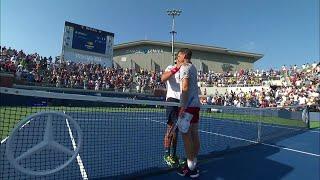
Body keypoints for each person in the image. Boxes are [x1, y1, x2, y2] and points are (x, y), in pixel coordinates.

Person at [176, 48, 201, 178]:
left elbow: (185, 87)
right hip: (195, 105)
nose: (177, 57)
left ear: (184, 55)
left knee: (185, 135)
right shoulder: (193, 67)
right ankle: (193, 162)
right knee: (194, 134)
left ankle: (190, 168)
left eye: (178, 55)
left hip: (188, 106)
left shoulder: (185, 67)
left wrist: (182, 107)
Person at [161, 56, 181, 167]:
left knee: (176, 131)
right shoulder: (170, 67)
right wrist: (176, 69)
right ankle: (166, 154)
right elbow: (163, 78)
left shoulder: (185, 71)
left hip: (181, 102)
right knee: (170, 128)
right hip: (172, 100)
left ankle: (173, 155)